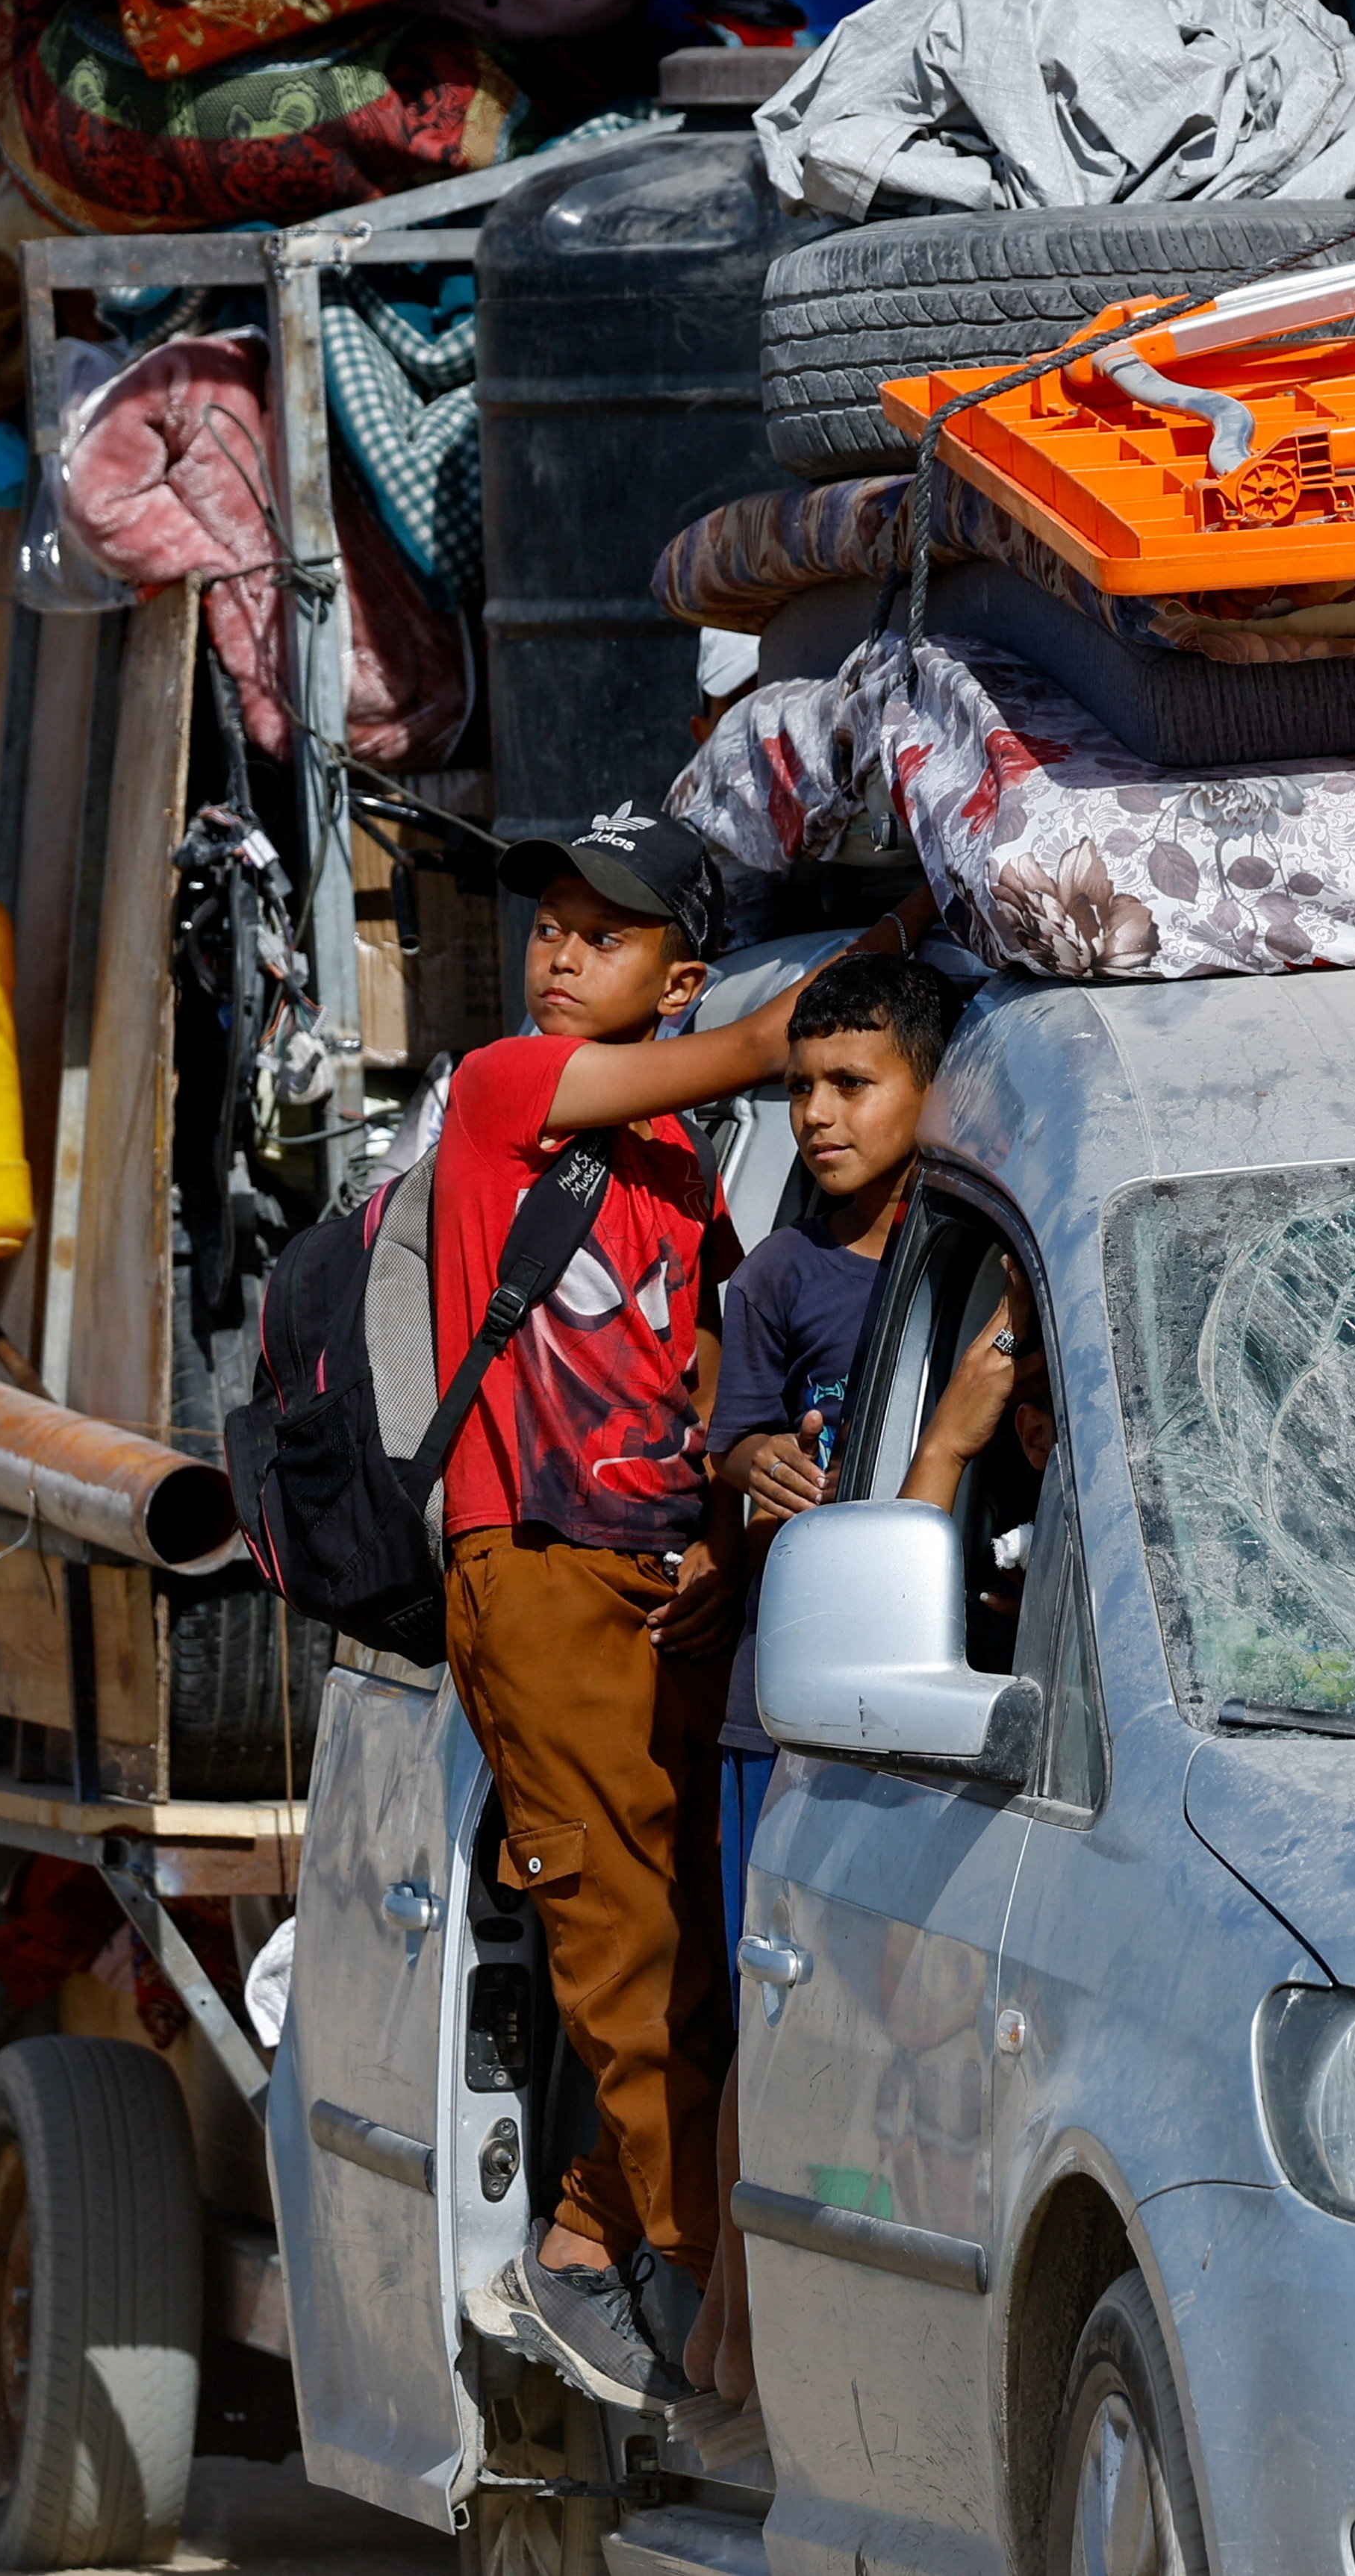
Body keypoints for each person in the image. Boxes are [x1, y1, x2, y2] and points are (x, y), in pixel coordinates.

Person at [452, 808, 909, 2404]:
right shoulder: (506, 1090)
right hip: (537, 1565)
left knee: (688, 1957)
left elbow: (716, 1382)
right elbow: (763, 1049)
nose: (561, 955)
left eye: (606, 934)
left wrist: (730, 1511)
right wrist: (913, 925)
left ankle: (596, 2237)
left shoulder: (677, 1180)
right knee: (625, 1943)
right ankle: (695, 2283)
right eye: (553, 926)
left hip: (660, 1582)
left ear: (677, 969)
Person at [687, 949, 964, 2407]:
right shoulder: (779, 1275)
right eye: (799, 1087)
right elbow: (728, 1443)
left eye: (850, 1084)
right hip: (780, 1702)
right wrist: (753, 1464)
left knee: (902, 2030)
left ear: (931, 1087)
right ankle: (730, 2333)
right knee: (777, 2023)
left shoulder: (971, 1254)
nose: (815, 1115)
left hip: (925, 1691)